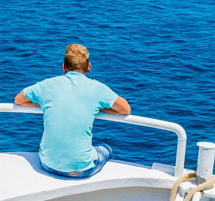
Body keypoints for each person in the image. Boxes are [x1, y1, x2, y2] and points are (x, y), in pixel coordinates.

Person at [14, 44, 131, 178]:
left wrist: (45, 102)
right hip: (81, 170)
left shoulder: (46, 85)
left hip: (48, 164)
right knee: (106, 149)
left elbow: (19, 100)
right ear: (89, 67)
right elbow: (125, 109)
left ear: (64, 67)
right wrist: (98, 107)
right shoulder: (97, 88)